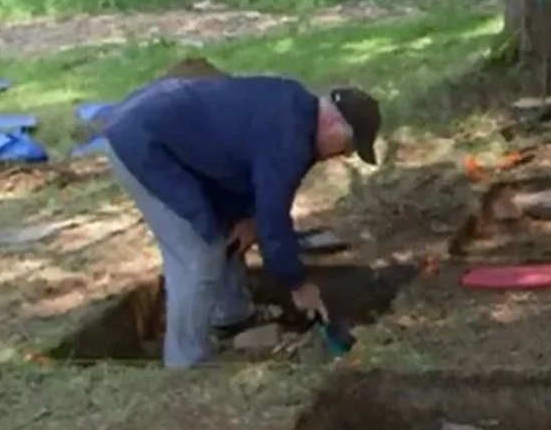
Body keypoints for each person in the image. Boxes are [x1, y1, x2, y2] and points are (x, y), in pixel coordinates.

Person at [99, 75, 382, 368]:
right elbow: (274, 221)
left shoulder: (294, 111)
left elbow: (251, 173)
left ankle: (231, 317)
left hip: (174, 143)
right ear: (336, 126)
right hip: (144, 144)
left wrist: (249, 218)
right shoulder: (289, 138)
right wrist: (297, 284)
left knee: (228, 233)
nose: (343, 155)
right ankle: (186, 362)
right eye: (348, 146)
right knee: (198, 256)